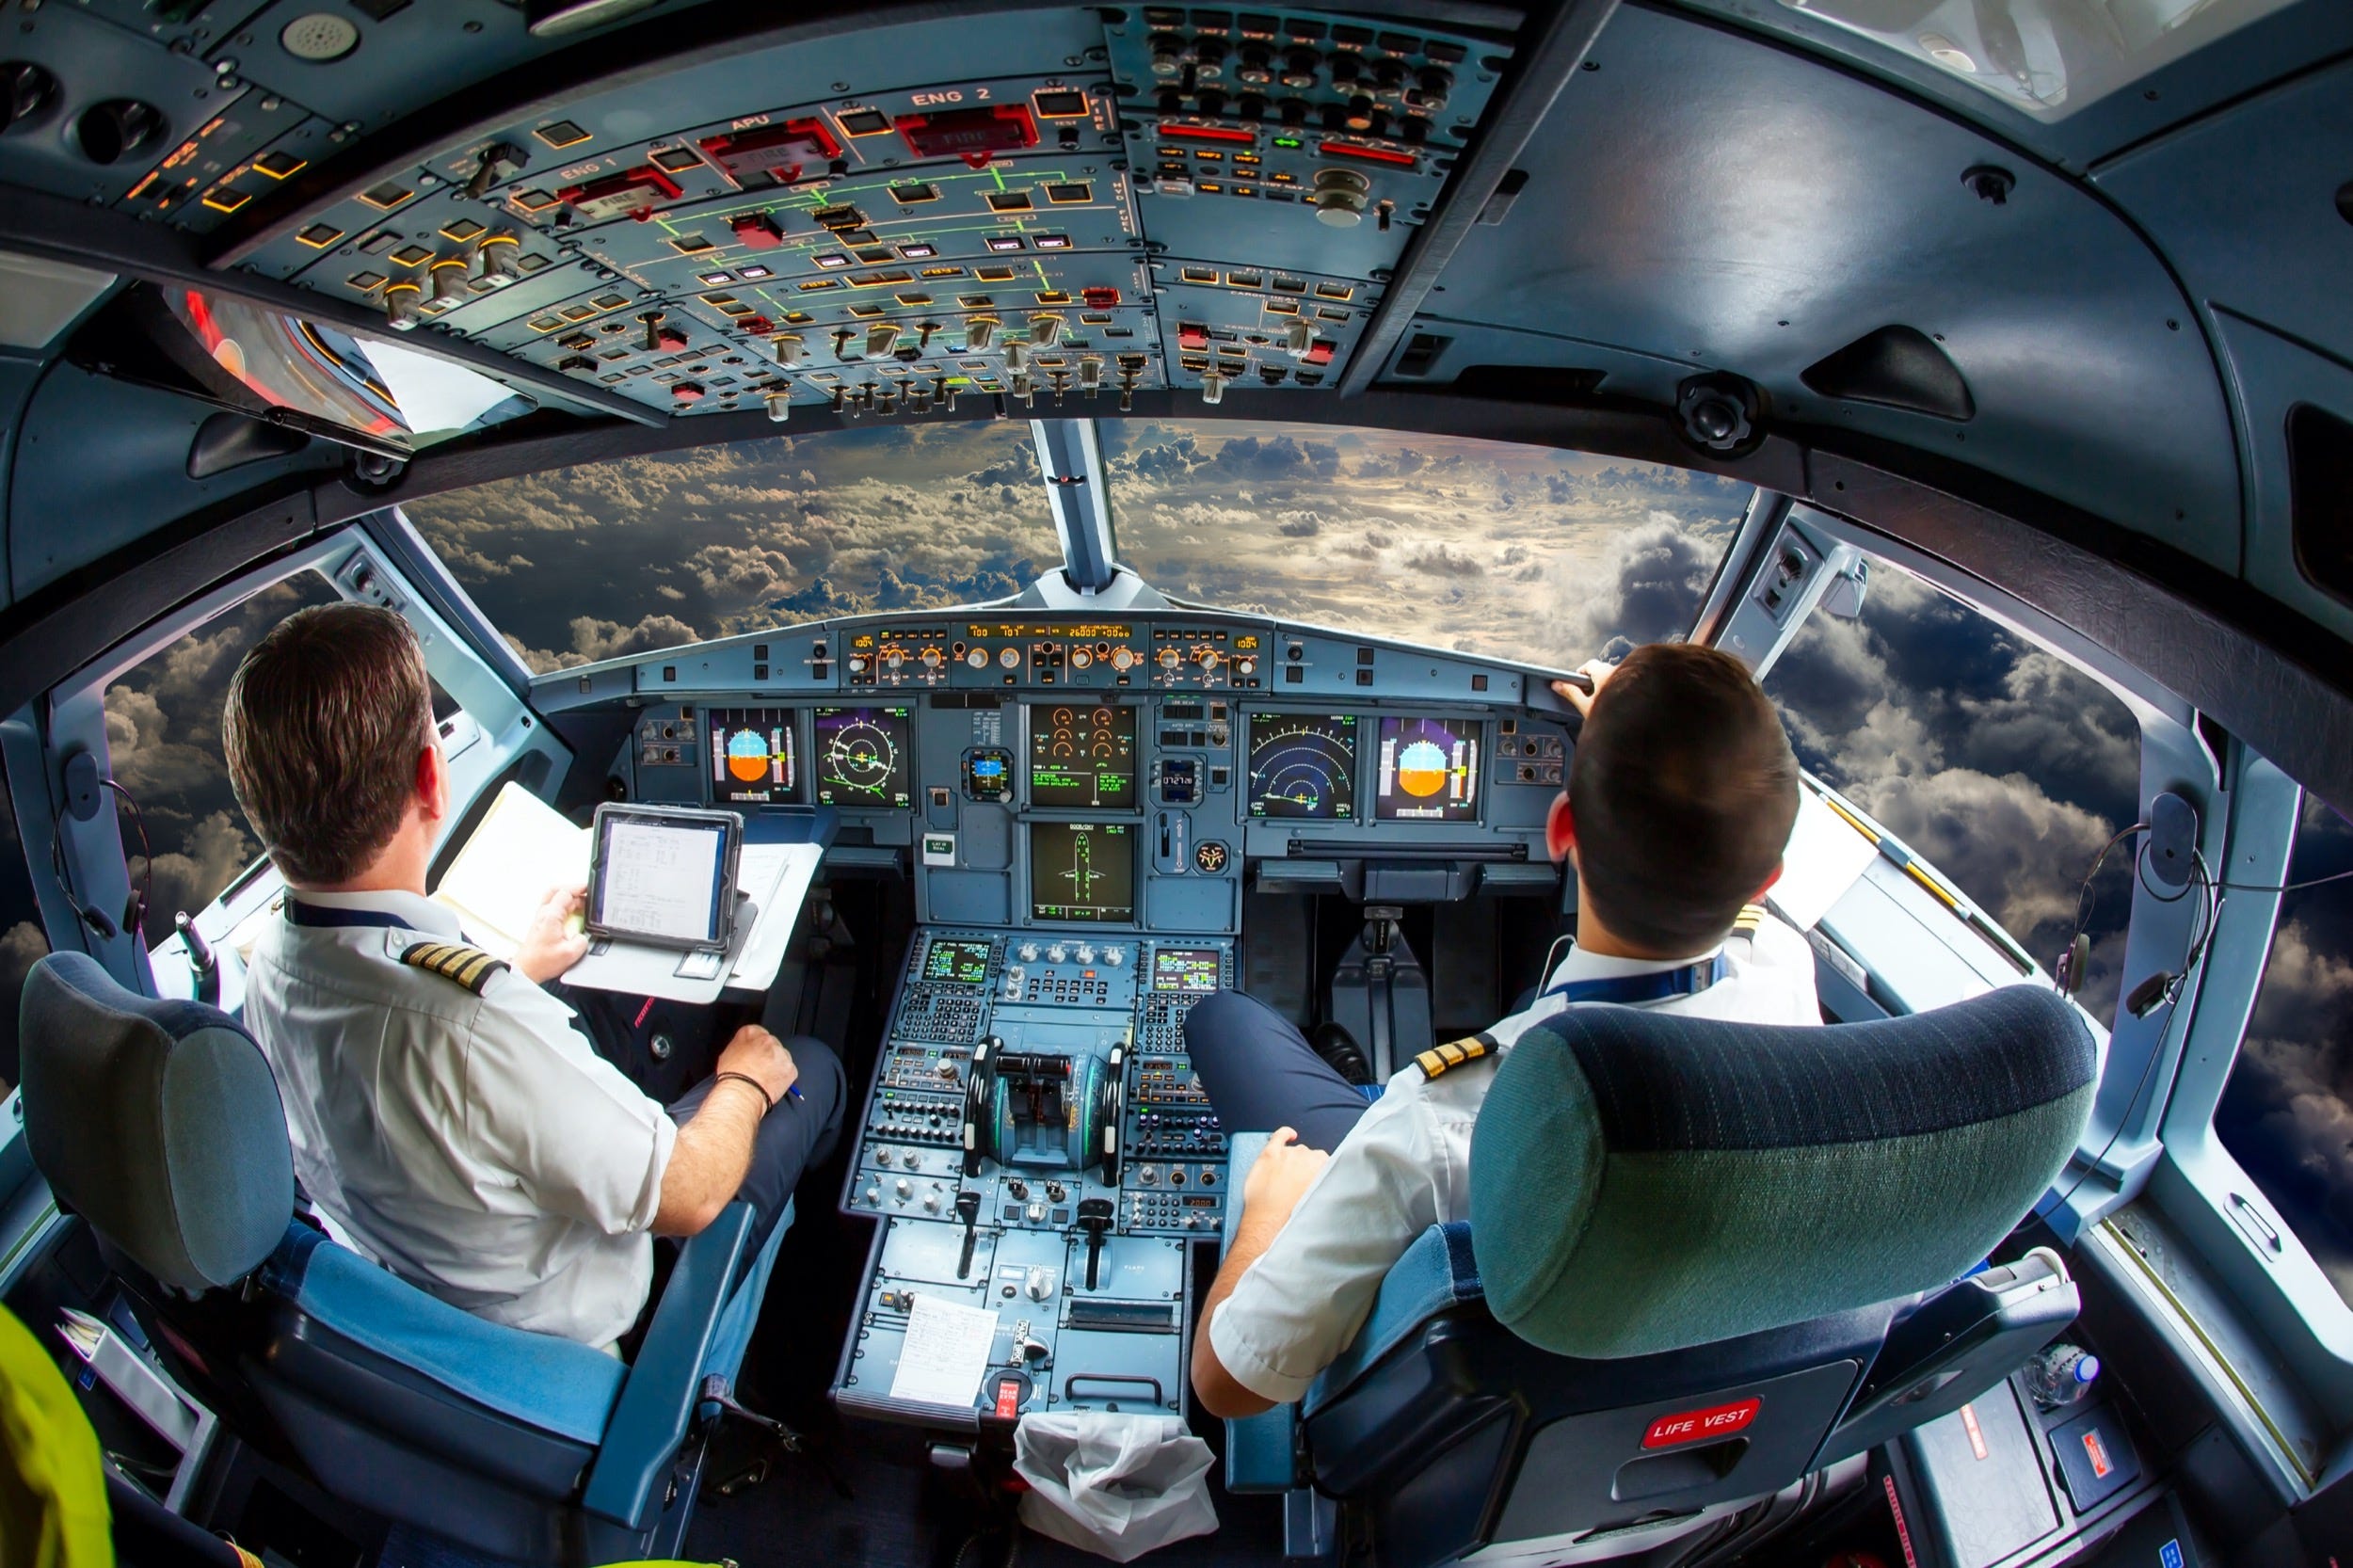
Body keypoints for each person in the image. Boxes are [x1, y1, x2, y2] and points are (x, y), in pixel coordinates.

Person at [1187, 643, 1819, 1416]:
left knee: (1220, 1019)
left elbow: (1226, 1387)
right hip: (1622, 1389)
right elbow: (1721, 842)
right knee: (1527, 990)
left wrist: (1269, 1211)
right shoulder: (1787, 974)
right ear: (1770, 879)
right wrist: (1635, 742)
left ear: (1560, 830)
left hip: (1430, 1374)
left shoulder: (1436, 1125)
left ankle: (1326, 1094)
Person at [226, 603, 843, 1353]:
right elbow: (688, 1193)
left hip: (436, 1305)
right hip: (585, 1329)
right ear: (431, 777)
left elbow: (412, 1047)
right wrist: (744, 1081)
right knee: (806, 1063)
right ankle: (803, 1285)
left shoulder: (270, 967)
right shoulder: (475, 1026)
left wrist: (523, 969)